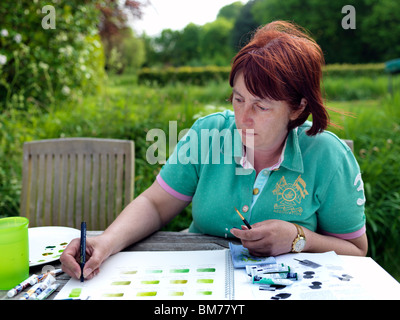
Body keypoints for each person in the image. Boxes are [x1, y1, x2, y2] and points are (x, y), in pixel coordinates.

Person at [61, 21, 367, 280]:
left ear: (297, 108)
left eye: (261, 106)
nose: (243, 117)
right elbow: (155, 204)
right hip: (197, 279)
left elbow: (356, 250)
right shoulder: (208, 133)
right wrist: (106, 242)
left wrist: (298, 239)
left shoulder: (328, 157)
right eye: (237, 99)